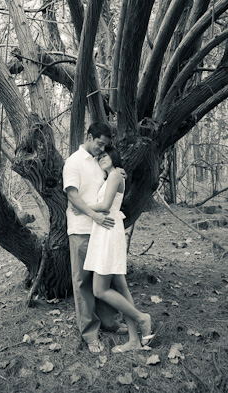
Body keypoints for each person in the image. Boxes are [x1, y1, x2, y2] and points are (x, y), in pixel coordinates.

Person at [63, 122, 127, 354]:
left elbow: (110, 185)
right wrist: (93, 215)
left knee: (104, 279)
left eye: (105, 146)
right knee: (83, 282)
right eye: (100, 144)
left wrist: (119, 174)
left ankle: (109, 323)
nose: (102, 149)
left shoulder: (101, 163)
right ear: (88, 136)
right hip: (81, 229)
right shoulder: (73, 162)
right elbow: (72, 194)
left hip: (102, 231)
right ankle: (90, 333)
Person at [83, 146, 153, 353]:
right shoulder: (112, 177)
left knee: (99, 289)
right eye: (99, 157)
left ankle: (142, 318)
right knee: (121, 287)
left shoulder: (114, 176)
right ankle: (133, 340)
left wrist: (79, 206)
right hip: (106, 231)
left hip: (108, 231)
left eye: (105, 155)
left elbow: (105, 205)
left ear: (114, 157)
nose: (101, 159)